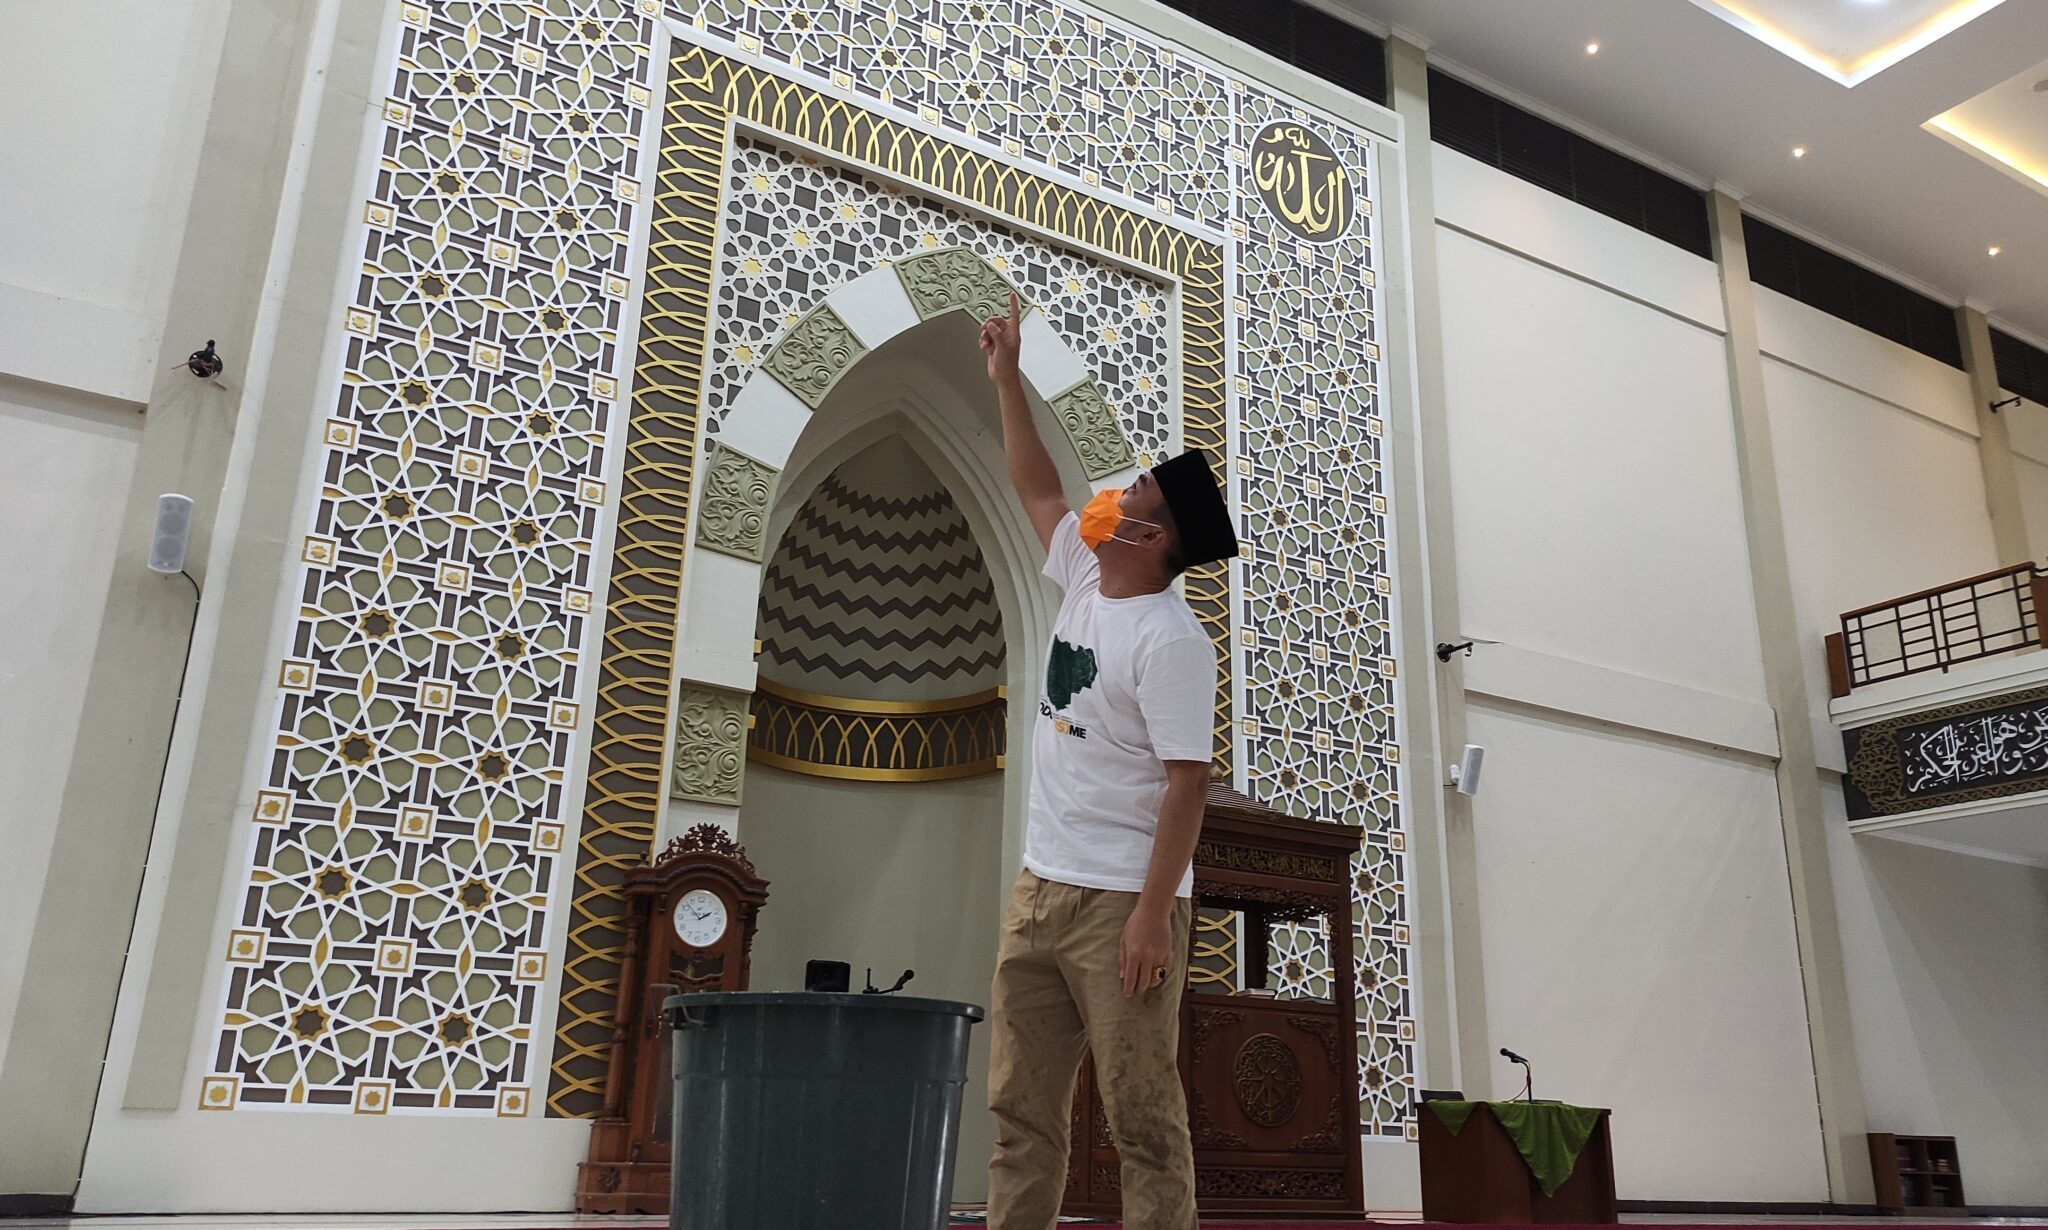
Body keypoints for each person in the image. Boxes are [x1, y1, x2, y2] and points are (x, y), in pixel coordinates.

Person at [978, 292, 1239, 1230]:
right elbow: (1037, 488)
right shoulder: (1089, 576)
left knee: (1141, 1119)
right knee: (1020, 1116)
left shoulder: (1172, 642)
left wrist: (1154, 917)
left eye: (1135, 492)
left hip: (1121, 904)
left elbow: (1188, 784)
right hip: (1039, 890)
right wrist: (1008, 379)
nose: (1117, 491)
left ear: (1151, 536)